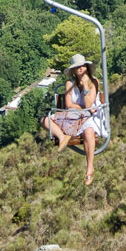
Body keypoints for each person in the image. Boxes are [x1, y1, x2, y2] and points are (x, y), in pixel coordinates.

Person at [40, 54, 107, 186]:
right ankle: (62, 136)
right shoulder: (69, 83)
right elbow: (69, 104)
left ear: (86, 67)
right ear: (74, 70)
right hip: (75, 114)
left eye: (83, 66)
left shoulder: (94, 82)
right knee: (45, 120)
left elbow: (89, 104)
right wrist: (81, 108)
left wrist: (84, 87)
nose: (81, 68)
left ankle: (90, 168)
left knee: (88, 131)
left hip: (90, 116)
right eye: (77, 67)